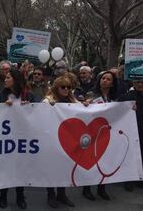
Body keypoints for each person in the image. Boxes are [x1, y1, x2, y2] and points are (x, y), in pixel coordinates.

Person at [0, 69, 32, 209]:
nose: (5, 79)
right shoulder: (1, 94)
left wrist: (29, 107)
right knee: (5, 167)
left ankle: (20, 196)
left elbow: (39, 110)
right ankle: (2, 195)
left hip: (22, 138)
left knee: (20, 168)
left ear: (15, 79)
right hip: (5, 139)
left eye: (8, 77)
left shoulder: (28, 94)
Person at [80, 71, 117, 201]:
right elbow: (82, 110)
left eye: (108, 79)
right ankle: (87, 189)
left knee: (106, 161)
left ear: (112, 84)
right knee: (90, 161)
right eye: (103, 78)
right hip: (92, 133)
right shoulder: (91, 94)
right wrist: (85, 104)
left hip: (107, 134)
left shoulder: (115, 98)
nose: (105, 80)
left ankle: (102, 188)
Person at [43, 76, 76, 208]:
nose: (66, 89)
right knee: (51, 168)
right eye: (63, 87)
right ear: (56, 88)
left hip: (67, 141)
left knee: (64, 167)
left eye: (68, 87)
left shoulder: (73, 101)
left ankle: (62, 194)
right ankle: (51, 194)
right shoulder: (47, 101)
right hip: (51, 140)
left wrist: (86, 104)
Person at [119, 80, 143, 191]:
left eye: (142, 82)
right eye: (138, 82)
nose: (140, 84)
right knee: (130, 154)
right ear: (133, 83)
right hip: (132, 130)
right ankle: (129, 180)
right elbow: (118, 105)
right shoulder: (128, 96)